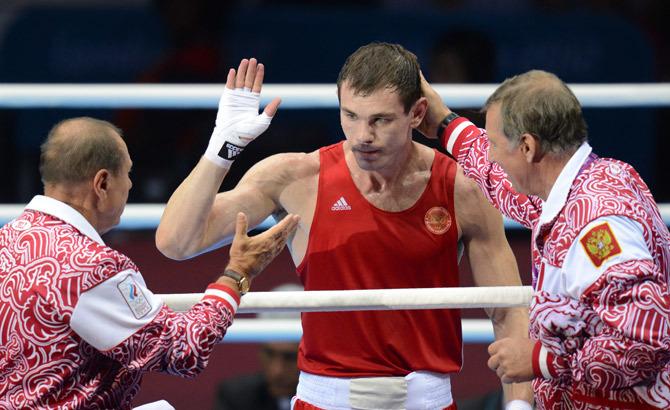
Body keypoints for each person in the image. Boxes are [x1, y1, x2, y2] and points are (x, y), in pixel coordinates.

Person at [156, 44, 533, 409]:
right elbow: (177, 242)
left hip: (428, 400)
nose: (363, 136)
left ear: (417, 113)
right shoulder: (298, 177)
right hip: (322, 400)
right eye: (351, 116)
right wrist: (221, 149)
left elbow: (509, 312)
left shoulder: (463, 188)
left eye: (380, 120)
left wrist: (519, 406)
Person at [0, 117, 299, 409]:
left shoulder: (7, 240)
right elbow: (184, 350)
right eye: (128, 173)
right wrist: (238, 273)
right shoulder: (90, 266)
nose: (131, 184)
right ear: (102, 183)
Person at [418, 69, 670, 408]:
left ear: (527, 146)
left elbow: (646, 339)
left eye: (494, 144)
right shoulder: (595, 177)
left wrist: (541, 359)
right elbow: (505, 184)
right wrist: (445, 125)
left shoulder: (596, 226)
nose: (490, 155)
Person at [214, 283, 303, 410]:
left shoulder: (329, 397)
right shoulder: (236, 396)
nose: (277, 371)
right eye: (269, 354)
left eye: (290, 357)